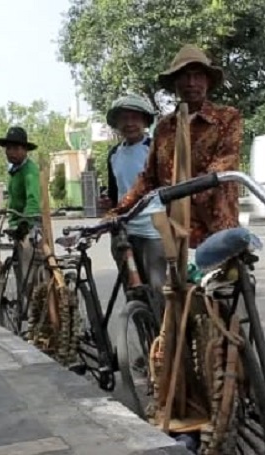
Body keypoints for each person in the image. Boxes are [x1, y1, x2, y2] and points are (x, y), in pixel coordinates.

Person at [108, 44, 242, 249]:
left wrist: (187, 191)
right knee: (170, 280)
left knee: (227, 279)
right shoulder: (164, 127)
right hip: (175, 233)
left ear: (207, 81)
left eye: (197, 76)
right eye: (184, 76)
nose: (191, 83)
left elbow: (225, 163)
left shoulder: (227, 118)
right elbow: (149, 178)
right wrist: (119, 210)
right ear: (175, 83)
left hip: (218, 227)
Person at [104, 94, 166, 314]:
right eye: (124, 119)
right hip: (124, 230)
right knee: (133, 289)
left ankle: (166, 340)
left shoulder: (154, 148)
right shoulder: (114, 154)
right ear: (117, 124)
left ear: (145, 122)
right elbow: (114, 193)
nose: (129, 123)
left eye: (135, 118)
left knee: (158, 287)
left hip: (153, 229)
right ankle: (144, 338)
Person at [0, 126, 42, 295]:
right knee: (19, 270)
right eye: (8, 148)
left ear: (24, 150)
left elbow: (33, 200)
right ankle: (25, 307)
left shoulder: (30, 171)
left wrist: (24, 223)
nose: (10, 152)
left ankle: (32, 308)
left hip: (29, 226)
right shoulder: (15, 171)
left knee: (30, 274)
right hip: (16, 225)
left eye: (15, 148)